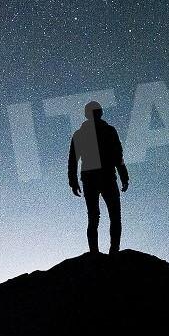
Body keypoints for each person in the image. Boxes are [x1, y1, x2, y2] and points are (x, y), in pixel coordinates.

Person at [68, 101, 129, 254]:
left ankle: (98, 252)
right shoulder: (108, 131)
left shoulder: (80, 134)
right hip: (105, 177)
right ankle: (111, 251)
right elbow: (118, 156)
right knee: (111, 215)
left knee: (96, 217)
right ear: (100, 113)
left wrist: (73, 181)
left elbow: (73, 160)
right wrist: (124, 176)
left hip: (93, 178)